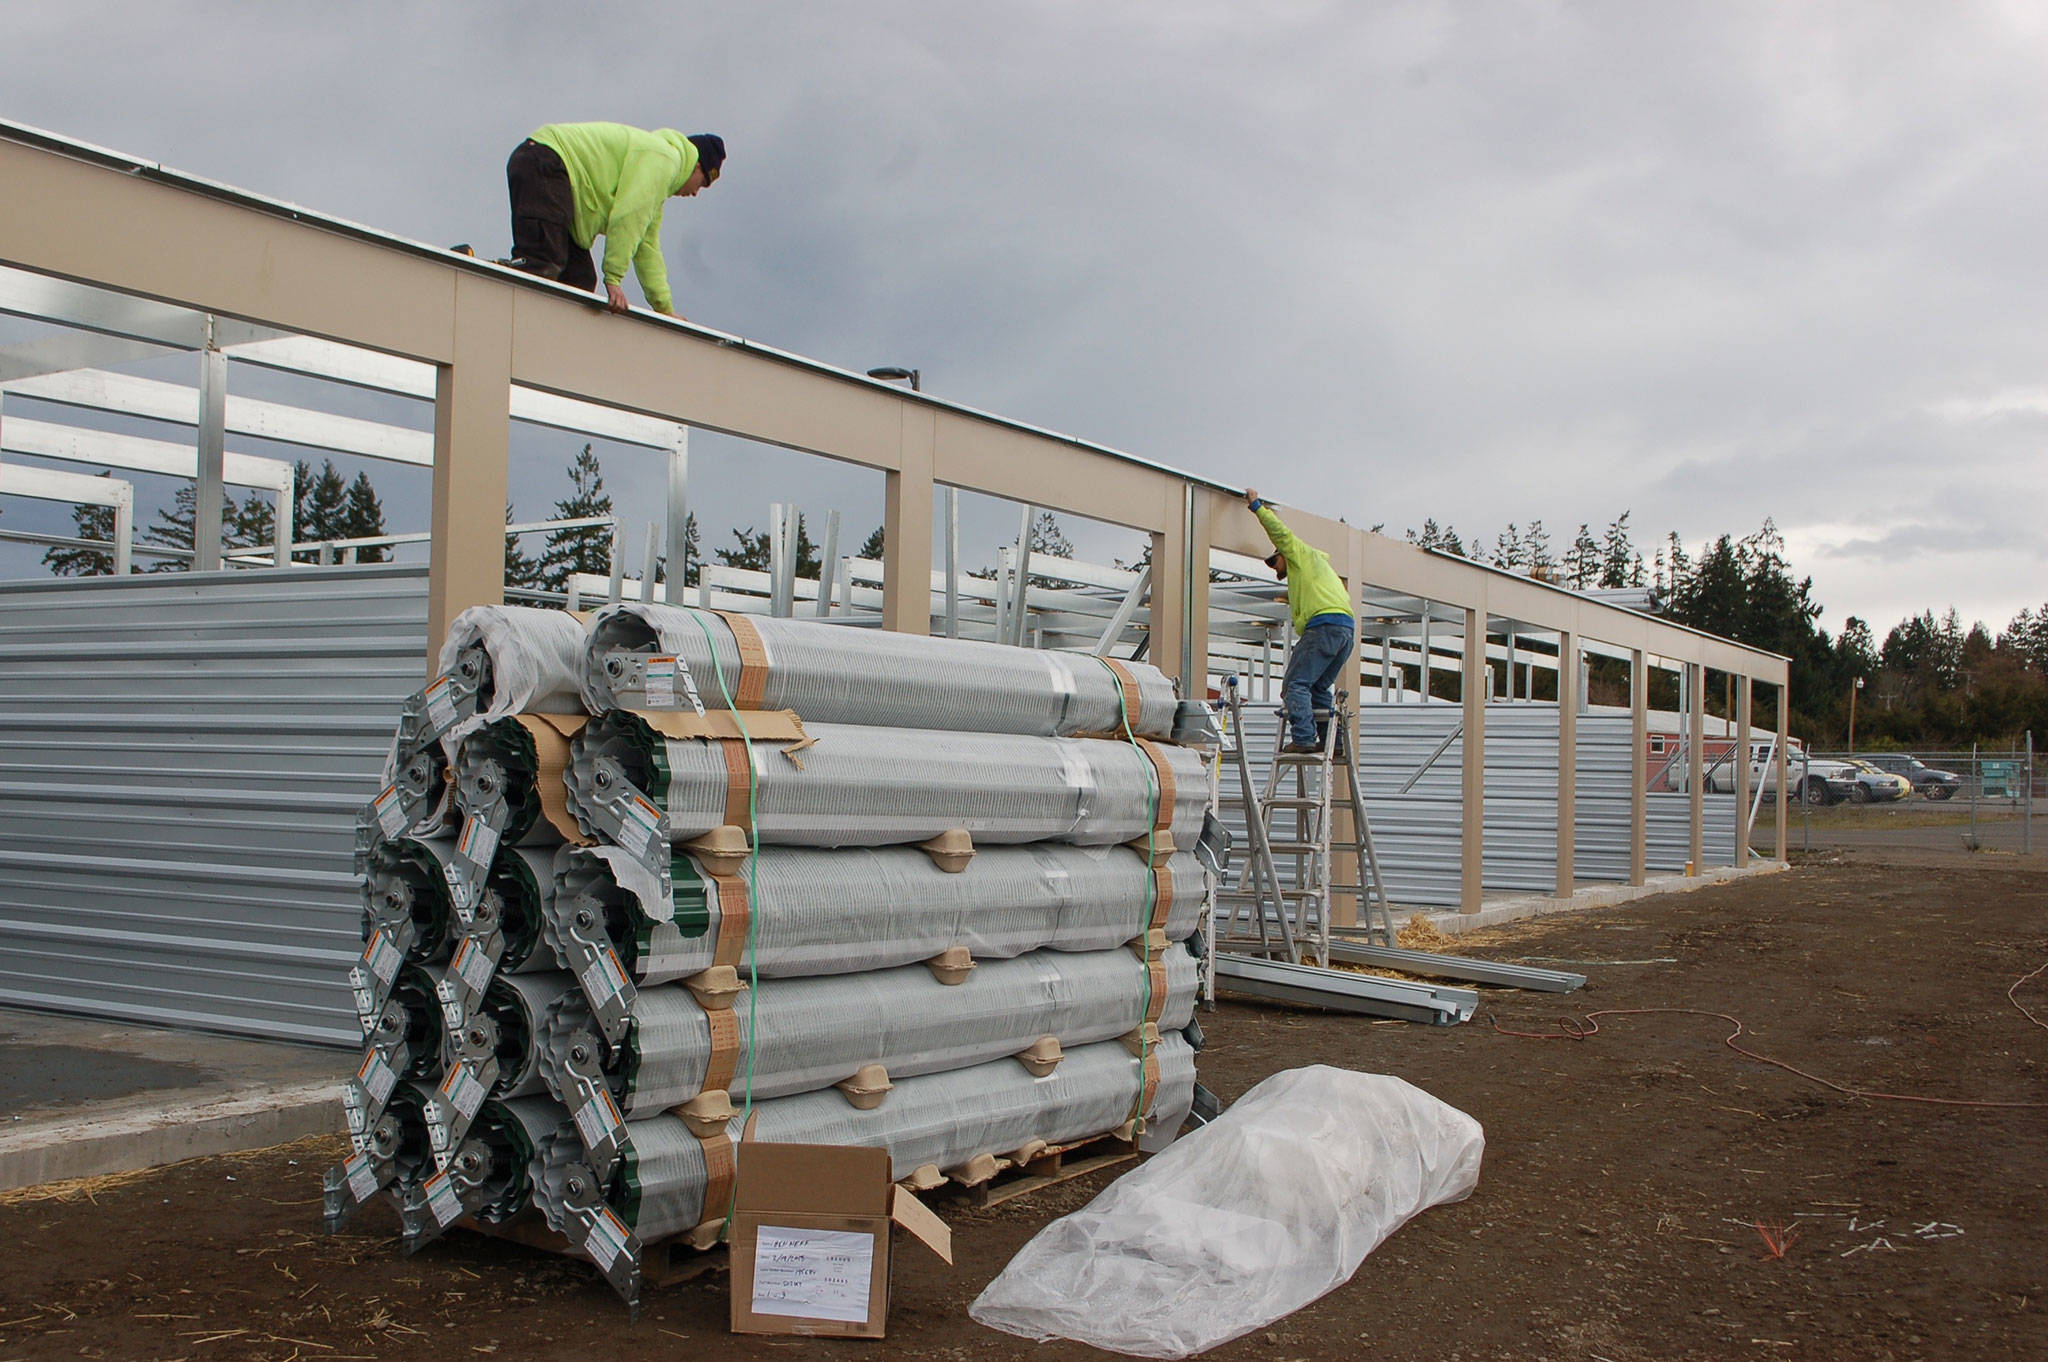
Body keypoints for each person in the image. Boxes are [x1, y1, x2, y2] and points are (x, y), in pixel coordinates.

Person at [502, 122, 725, 319]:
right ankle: (489, 282)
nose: (696, 193)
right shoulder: (664, 159)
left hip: (558, 176)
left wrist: (664, 308)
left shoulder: (657, 186)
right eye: (703, 183)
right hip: (546, 161)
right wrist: (614, 278)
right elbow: (628, 217)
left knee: (579, 281)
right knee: (543, 263)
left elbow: (646, 247)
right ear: (697, 167)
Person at [1245, 487, 1355, 753]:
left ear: (1283, 554)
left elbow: (1279, 532)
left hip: (1324, 626)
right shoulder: (1320, 569)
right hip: (1345, 631)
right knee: (1318, 687)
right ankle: (1334, 742)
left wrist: (1256, 505)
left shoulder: (1299, 553)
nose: (1275, 571)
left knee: (1295, 684)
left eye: (1274, 563)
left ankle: (1304, 738)